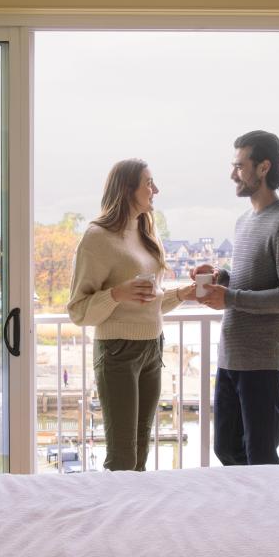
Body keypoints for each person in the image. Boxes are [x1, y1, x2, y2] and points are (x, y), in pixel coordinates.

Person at [67, 159, 196, 471]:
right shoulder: (97, 238)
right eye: (148, 183)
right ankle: (114, 517)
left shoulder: (146, 232)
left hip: (153, 348)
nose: (156, 190)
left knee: (141, 449)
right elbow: (78, 311)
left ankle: (135, 517)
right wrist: (116, 293)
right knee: (123, 454)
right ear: (127, 189)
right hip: (118, 352)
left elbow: (149, 302)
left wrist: (183, 293)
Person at [194, 130, 279, 466]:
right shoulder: (244, 221)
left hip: (261, 362)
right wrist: (220, 280)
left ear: (263, 167)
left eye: (239, 165)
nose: (233, 174)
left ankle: (274, 519)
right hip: (230, 357)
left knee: (260, 459)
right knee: (226, 450)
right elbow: (249, 280)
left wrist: (229, 297)